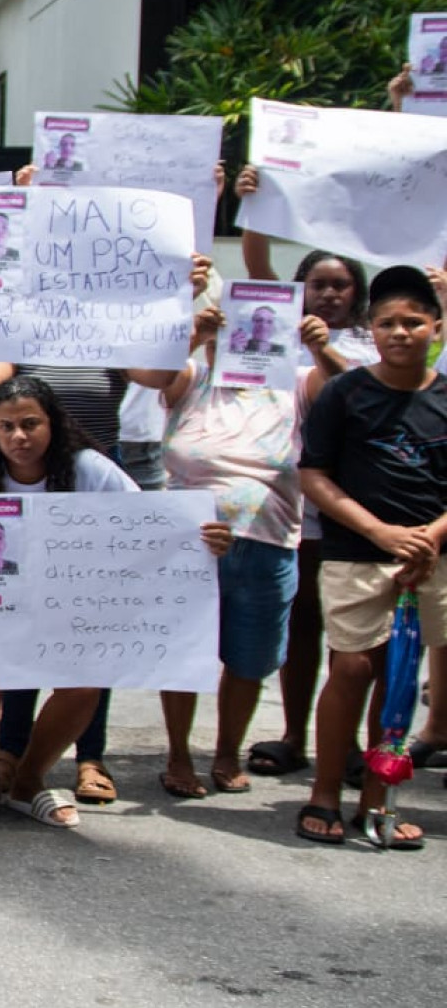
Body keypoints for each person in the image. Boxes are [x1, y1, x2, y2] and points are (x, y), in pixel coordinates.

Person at [0, 375, 232, 829]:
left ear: (53, 425)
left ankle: (28, 782)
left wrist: (202, 539)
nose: (18, 437)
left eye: (30, 424)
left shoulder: (90, 467)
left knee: (83, 683)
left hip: (68, 604)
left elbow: (148, 524)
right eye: (6, 427)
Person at [129, 292, 342, 799]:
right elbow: (141, 372)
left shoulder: (295, 387)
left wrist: (322, 349)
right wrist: (193, 335)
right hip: (190, 544)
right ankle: (179, 755)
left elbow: (350, 392)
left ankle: (226, 751)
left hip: (268, 542)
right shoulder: (193, 380)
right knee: (185, 650)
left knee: (250, 658)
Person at [294, 266, 447, 849]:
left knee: (400, 676)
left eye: (413, 322)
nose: (400, 332)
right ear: (372, 330)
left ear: (436, 327)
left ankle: (379, 799)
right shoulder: (345, 393)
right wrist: (381, 533)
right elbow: (315, 476)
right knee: (352, 669)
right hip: (356, 553)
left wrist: (429, 537)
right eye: (387, 323)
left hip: (429, 559)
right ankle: (326, 792)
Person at [240, 208, 386, 777]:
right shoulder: (275, 331)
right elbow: (256, 263)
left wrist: (324, 349)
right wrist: (250, 206)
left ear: (358, 292)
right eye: (316, 285)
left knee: (350, 628)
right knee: (299, 621)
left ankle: (344, 744)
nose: (327, 295)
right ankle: (295, 735)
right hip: (286, 498)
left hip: (351, 499)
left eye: (339, 285)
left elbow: (355, 394)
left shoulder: (374, 341)